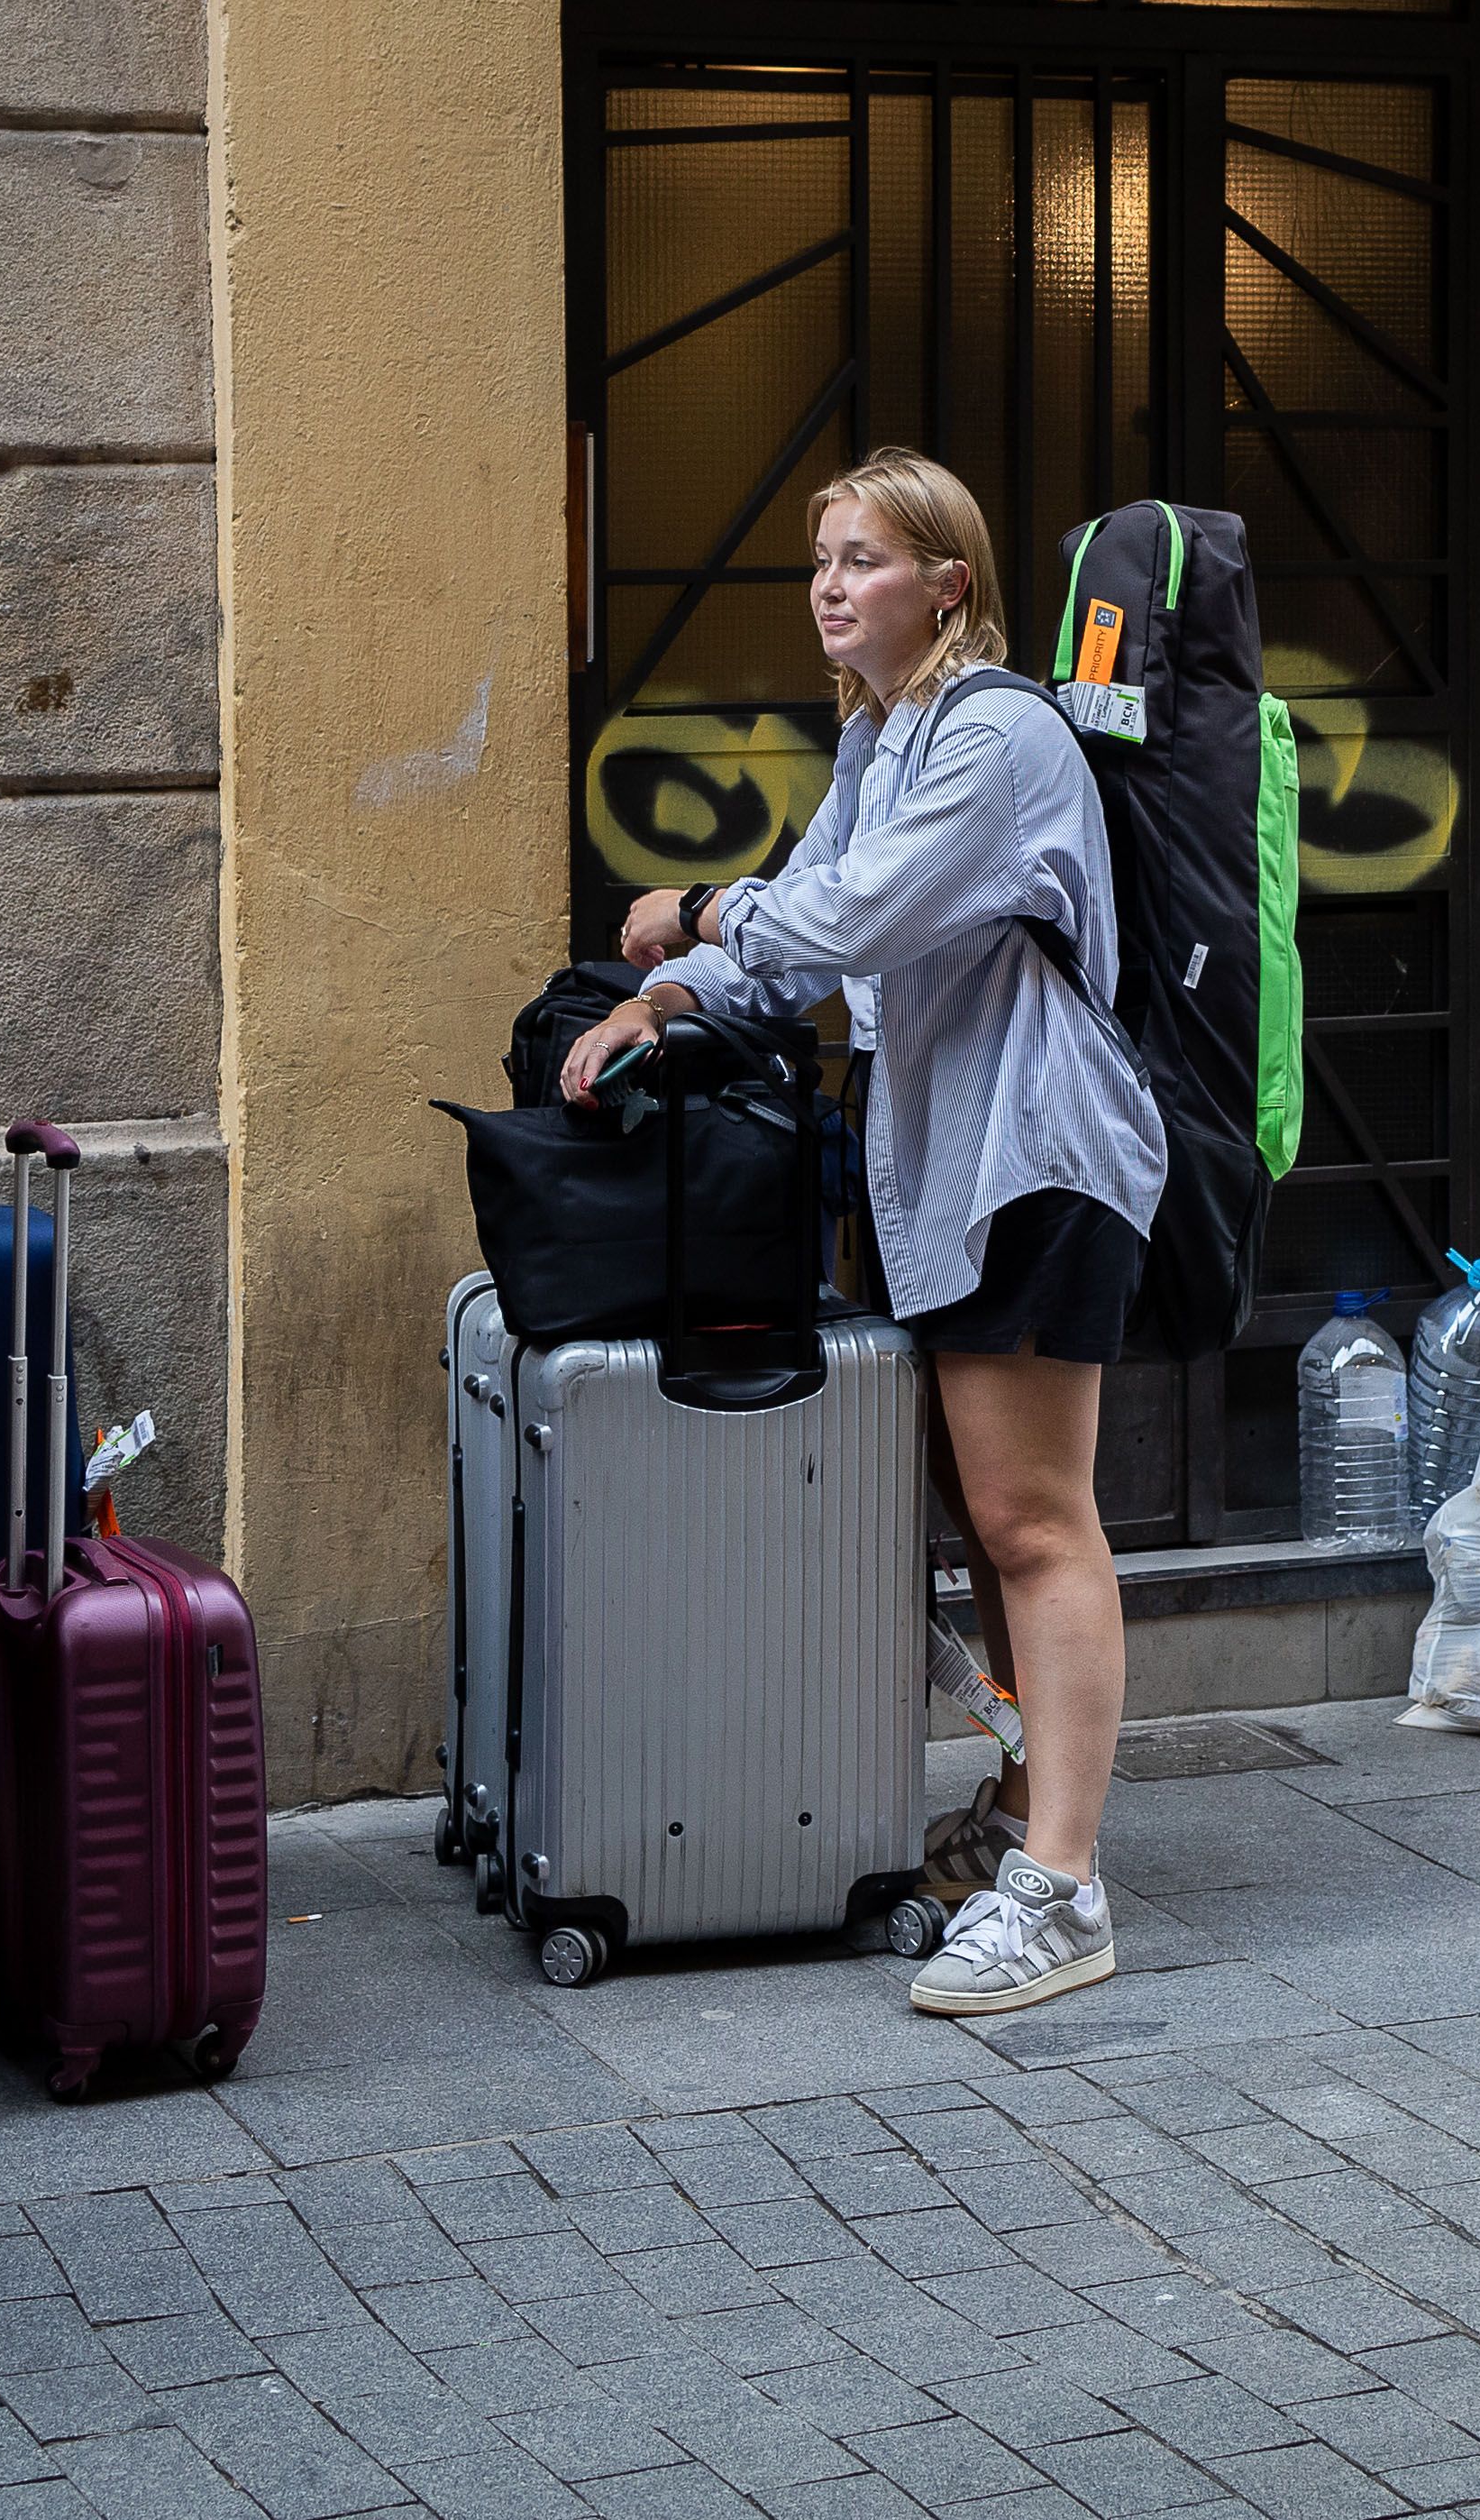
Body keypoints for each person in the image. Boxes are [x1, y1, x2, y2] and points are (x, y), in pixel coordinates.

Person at [564, 447, 1166, 2021]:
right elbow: (804, 934)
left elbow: (846, 919)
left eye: (867, 559)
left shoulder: (996, 736)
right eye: (820, 560)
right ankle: (1031, 1819)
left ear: (947, 585)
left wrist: (695, 912)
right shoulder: (883, 745)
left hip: (1033, 1158)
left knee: (1037, 1524)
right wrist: (667, 997)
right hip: (948, 1172)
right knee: (987, 1521)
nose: (831, 585)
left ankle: (1065, 1891)